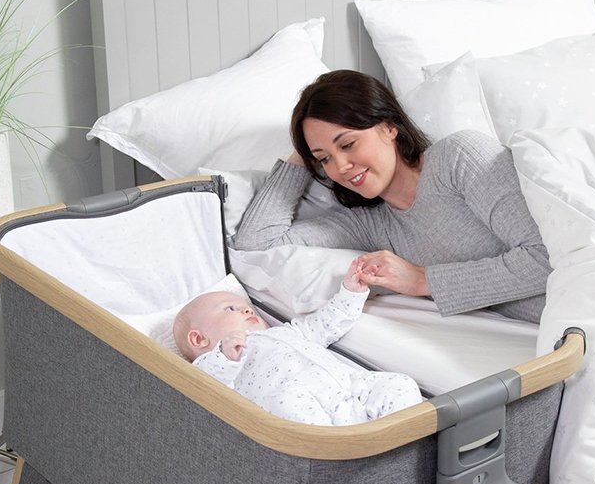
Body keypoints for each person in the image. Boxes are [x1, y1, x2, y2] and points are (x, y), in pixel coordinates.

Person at [232, 70, 551, 323]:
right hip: (561, 337)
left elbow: (549, 258)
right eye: (324, 159)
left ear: (389, 127)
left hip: (589, 303)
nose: (340, 167)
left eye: (347, 144)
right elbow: (255, 246)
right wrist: (302, 156)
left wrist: (422, 280)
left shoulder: (458, 158)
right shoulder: (368, 225)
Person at [172, 259, 422, 426]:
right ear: (198, 338)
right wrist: (223, 355)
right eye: (231, 309)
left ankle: (397, 438)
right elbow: (208, 387)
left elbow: (326, 323)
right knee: (287, 402)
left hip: (350, 392)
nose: (248, 311)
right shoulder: (217, 362)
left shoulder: (287, 332)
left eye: (248, 308)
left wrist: (351, 291)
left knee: (400, 384)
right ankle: (338, 450)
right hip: (301, 406)